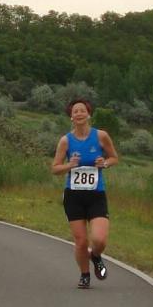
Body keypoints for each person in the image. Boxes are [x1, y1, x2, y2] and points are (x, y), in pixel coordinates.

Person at [51, 98, 119, 289]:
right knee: (81, 241)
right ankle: (85, 275)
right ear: (71, 117)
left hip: (96, 195)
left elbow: (114, 158)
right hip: (73, 197)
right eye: (75, 111)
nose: (79, 113)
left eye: (82, 110)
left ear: (88, 114)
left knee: (99, 240)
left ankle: (95, 255)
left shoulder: (101, 136)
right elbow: (55, 168)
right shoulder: (66, 140)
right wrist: (69, 165)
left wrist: (105, 163)